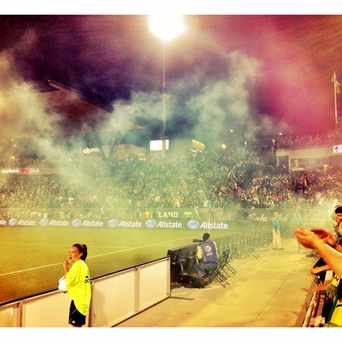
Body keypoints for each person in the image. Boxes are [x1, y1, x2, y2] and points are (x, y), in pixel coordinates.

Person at [63, 243, 91, 327]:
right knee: (77, 326)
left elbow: (70, 281)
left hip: (78, 302)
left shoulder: (78, 265)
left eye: (74, 252)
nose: (71, 254)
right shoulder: (82, 264)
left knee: (76, 326)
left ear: (80, 254)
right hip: (82, 300)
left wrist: (65, 267)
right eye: (70, 252)